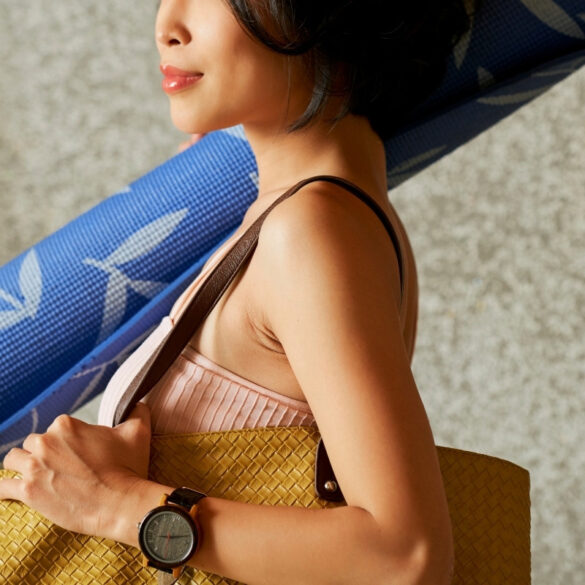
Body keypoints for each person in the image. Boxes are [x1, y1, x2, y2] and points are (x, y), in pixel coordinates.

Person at [1, 1, 472, 583]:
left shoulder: (310, 232)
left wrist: (114, 504)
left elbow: (406, 558)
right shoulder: (314, 214)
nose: (166, 27)